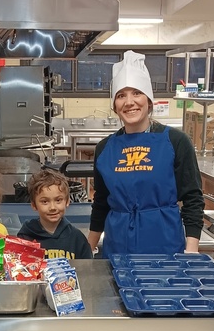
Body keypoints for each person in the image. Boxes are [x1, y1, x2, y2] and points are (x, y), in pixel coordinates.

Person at [87, 51, 204, 258]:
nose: (129, 102)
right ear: (115, 106)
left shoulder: (176, 142)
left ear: (149, 101)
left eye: (136, 93)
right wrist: (89, 248)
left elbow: (192, 198)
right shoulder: (105, 148)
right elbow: (101, 202)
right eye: (121, 96)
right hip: (117, 248)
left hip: (165, 248)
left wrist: (191, 249)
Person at [18, 170, 93, 260]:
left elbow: (87, 270)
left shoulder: (77, 239)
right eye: (45, 201)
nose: (52, 207)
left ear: (67, 201)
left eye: (58, 200)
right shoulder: (24, 238)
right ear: (34, 205)